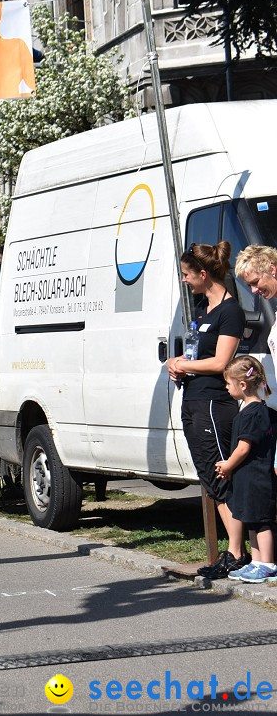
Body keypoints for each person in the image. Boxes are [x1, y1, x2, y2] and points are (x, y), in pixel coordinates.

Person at [166, 243, 247, 580]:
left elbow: (220, 362)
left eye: (187, 274)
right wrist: (177, 363)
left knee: (219, 473)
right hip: (194, 399)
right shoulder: (203, 306)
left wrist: (185, 365)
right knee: (207, 474)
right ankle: (232, 552)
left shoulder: (230, 311)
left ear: (203, 274)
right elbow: (196, 352)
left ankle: (237, 553)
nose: (184, 280)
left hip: (214, 402)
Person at [216, 356, 277, 583]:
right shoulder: (251, 411)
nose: (226, 387)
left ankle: (268, 564)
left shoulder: (254, 413)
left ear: (242, 385)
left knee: (261, 522)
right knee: (251, 519)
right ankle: (257, 562)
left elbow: (244, 448)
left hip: (257, 478)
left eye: (228, 384)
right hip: (247, 478)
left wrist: (228, 465)